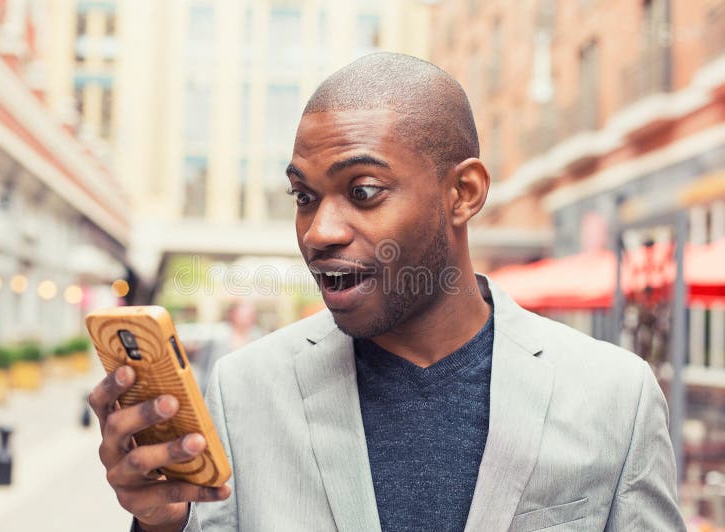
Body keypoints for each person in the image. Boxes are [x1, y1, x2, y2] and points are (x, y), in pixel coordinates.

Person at [88, 53, 685, 531]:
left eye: (364, 190)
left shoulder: (616, 398)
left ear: (464, 192)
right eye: (304, 196)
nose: (320, 231)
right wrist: (160, 527)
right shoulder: (245, 392)